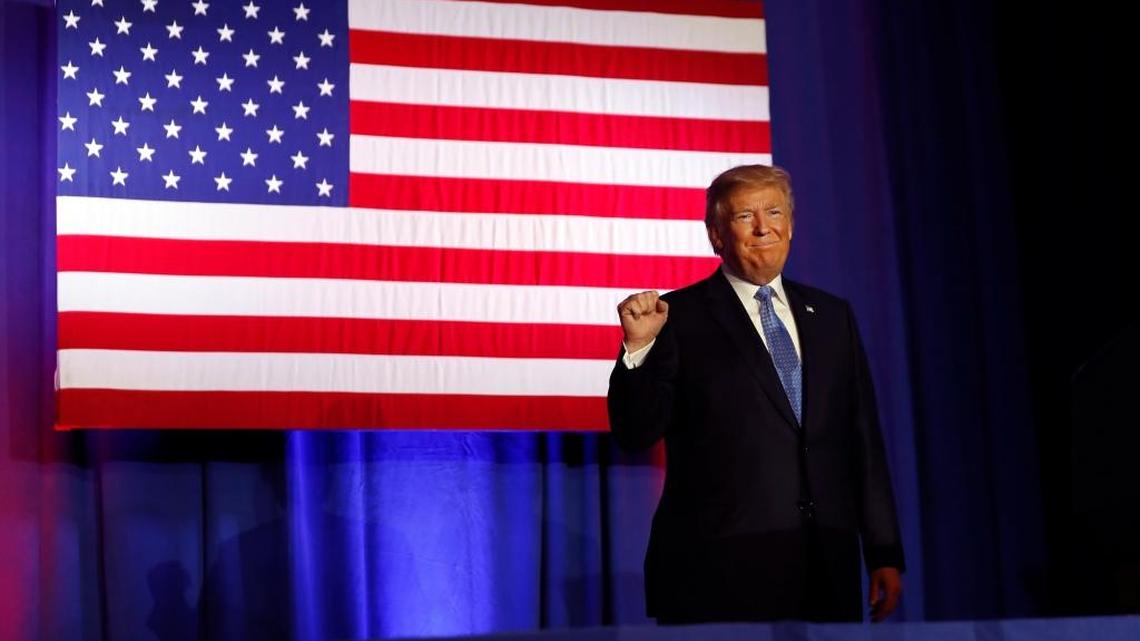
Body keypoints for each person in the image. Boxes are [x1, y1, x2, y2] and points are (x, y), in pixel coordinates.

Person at [608, 164, 904, 623]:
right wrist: (639, 347)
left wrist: (884, 550)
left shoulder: (831, 316)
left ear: (791, 224)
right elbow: (635, 431)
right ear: (717, 235)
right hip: (718, 571)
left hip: (825, 564)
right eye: (745, 217)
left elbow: (862, 441)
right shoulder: (677, 317)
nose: (764, 228)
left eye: (774, 212)